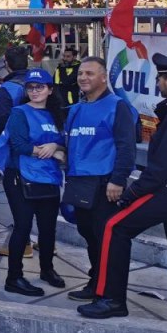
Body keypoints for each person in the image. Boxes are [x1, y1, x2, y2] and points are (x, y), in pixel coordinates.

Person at [79, 54, 167, 322]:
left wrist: (132, 193)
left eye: (159, 79)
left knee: (115, 227)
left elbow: (164, 163)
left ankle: (111, 299)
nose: (157, 84)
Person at [62, 57, 137, 302]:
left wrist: (118, 179)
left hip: (105, 184)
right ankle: (96, 281)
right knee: (88, 234)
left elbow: (126, 146)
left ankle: (107, 292)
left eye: (90, 73)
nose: (83, 77)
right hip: (79, 182)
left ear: (104, 77)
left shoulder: (118, 106)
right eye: (81, 73)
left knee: (105, 238)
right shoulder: (76, 109)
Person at [1, 69, 66, 296]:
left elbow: (63, 145)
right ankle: (14, 277)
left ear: (50, 90)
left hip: (49, 178)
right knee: (23, 227)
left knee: (48, 228)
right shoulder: (19, 112)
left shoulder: (56, 114)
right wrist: (47, 150)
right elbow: (19, 146)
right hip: (20, 177)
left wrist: (55, 148)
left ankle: (47, 269)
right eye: (30, 87)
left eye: (40, 87)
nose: (35, 91)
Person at [0, 46, 33, 257]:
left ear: (7, 63)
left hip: (16, 153)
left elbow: (0, 121)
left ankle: (23, 242)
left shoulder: (8, 88)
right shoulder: (40, 83)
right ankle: (46, 242)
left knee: (18, 198)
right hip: (41, 151)